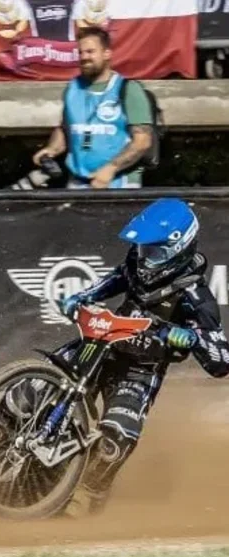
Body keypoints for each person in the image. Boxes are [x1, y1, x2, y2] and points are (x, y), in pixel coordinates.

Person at [53, 198, 229, 515]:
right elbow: (112, 280)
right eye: (145, 250)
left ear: (180, 248)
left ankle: (89, 491)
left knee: (115, 440)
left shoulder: (196, 297)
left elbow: (222, 360)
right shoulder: (136, 261)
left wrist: (191, 338)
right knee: (36, 386)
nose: (146, 259)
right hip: (103, 346)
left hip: (140, 370)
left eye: (156, 252)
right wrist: (79, 298)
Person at [32, 26, 154, 190]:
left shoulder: (128, 89)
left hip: (118, 181)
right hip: (78, 181)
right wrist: (52, 149)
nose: (84, 57)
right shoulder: (73, 89)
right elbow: (66, 128)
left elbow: (142, 142)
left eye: (90, 52)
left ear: (107, 53)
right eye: (81, 53)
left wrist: (111, 169)